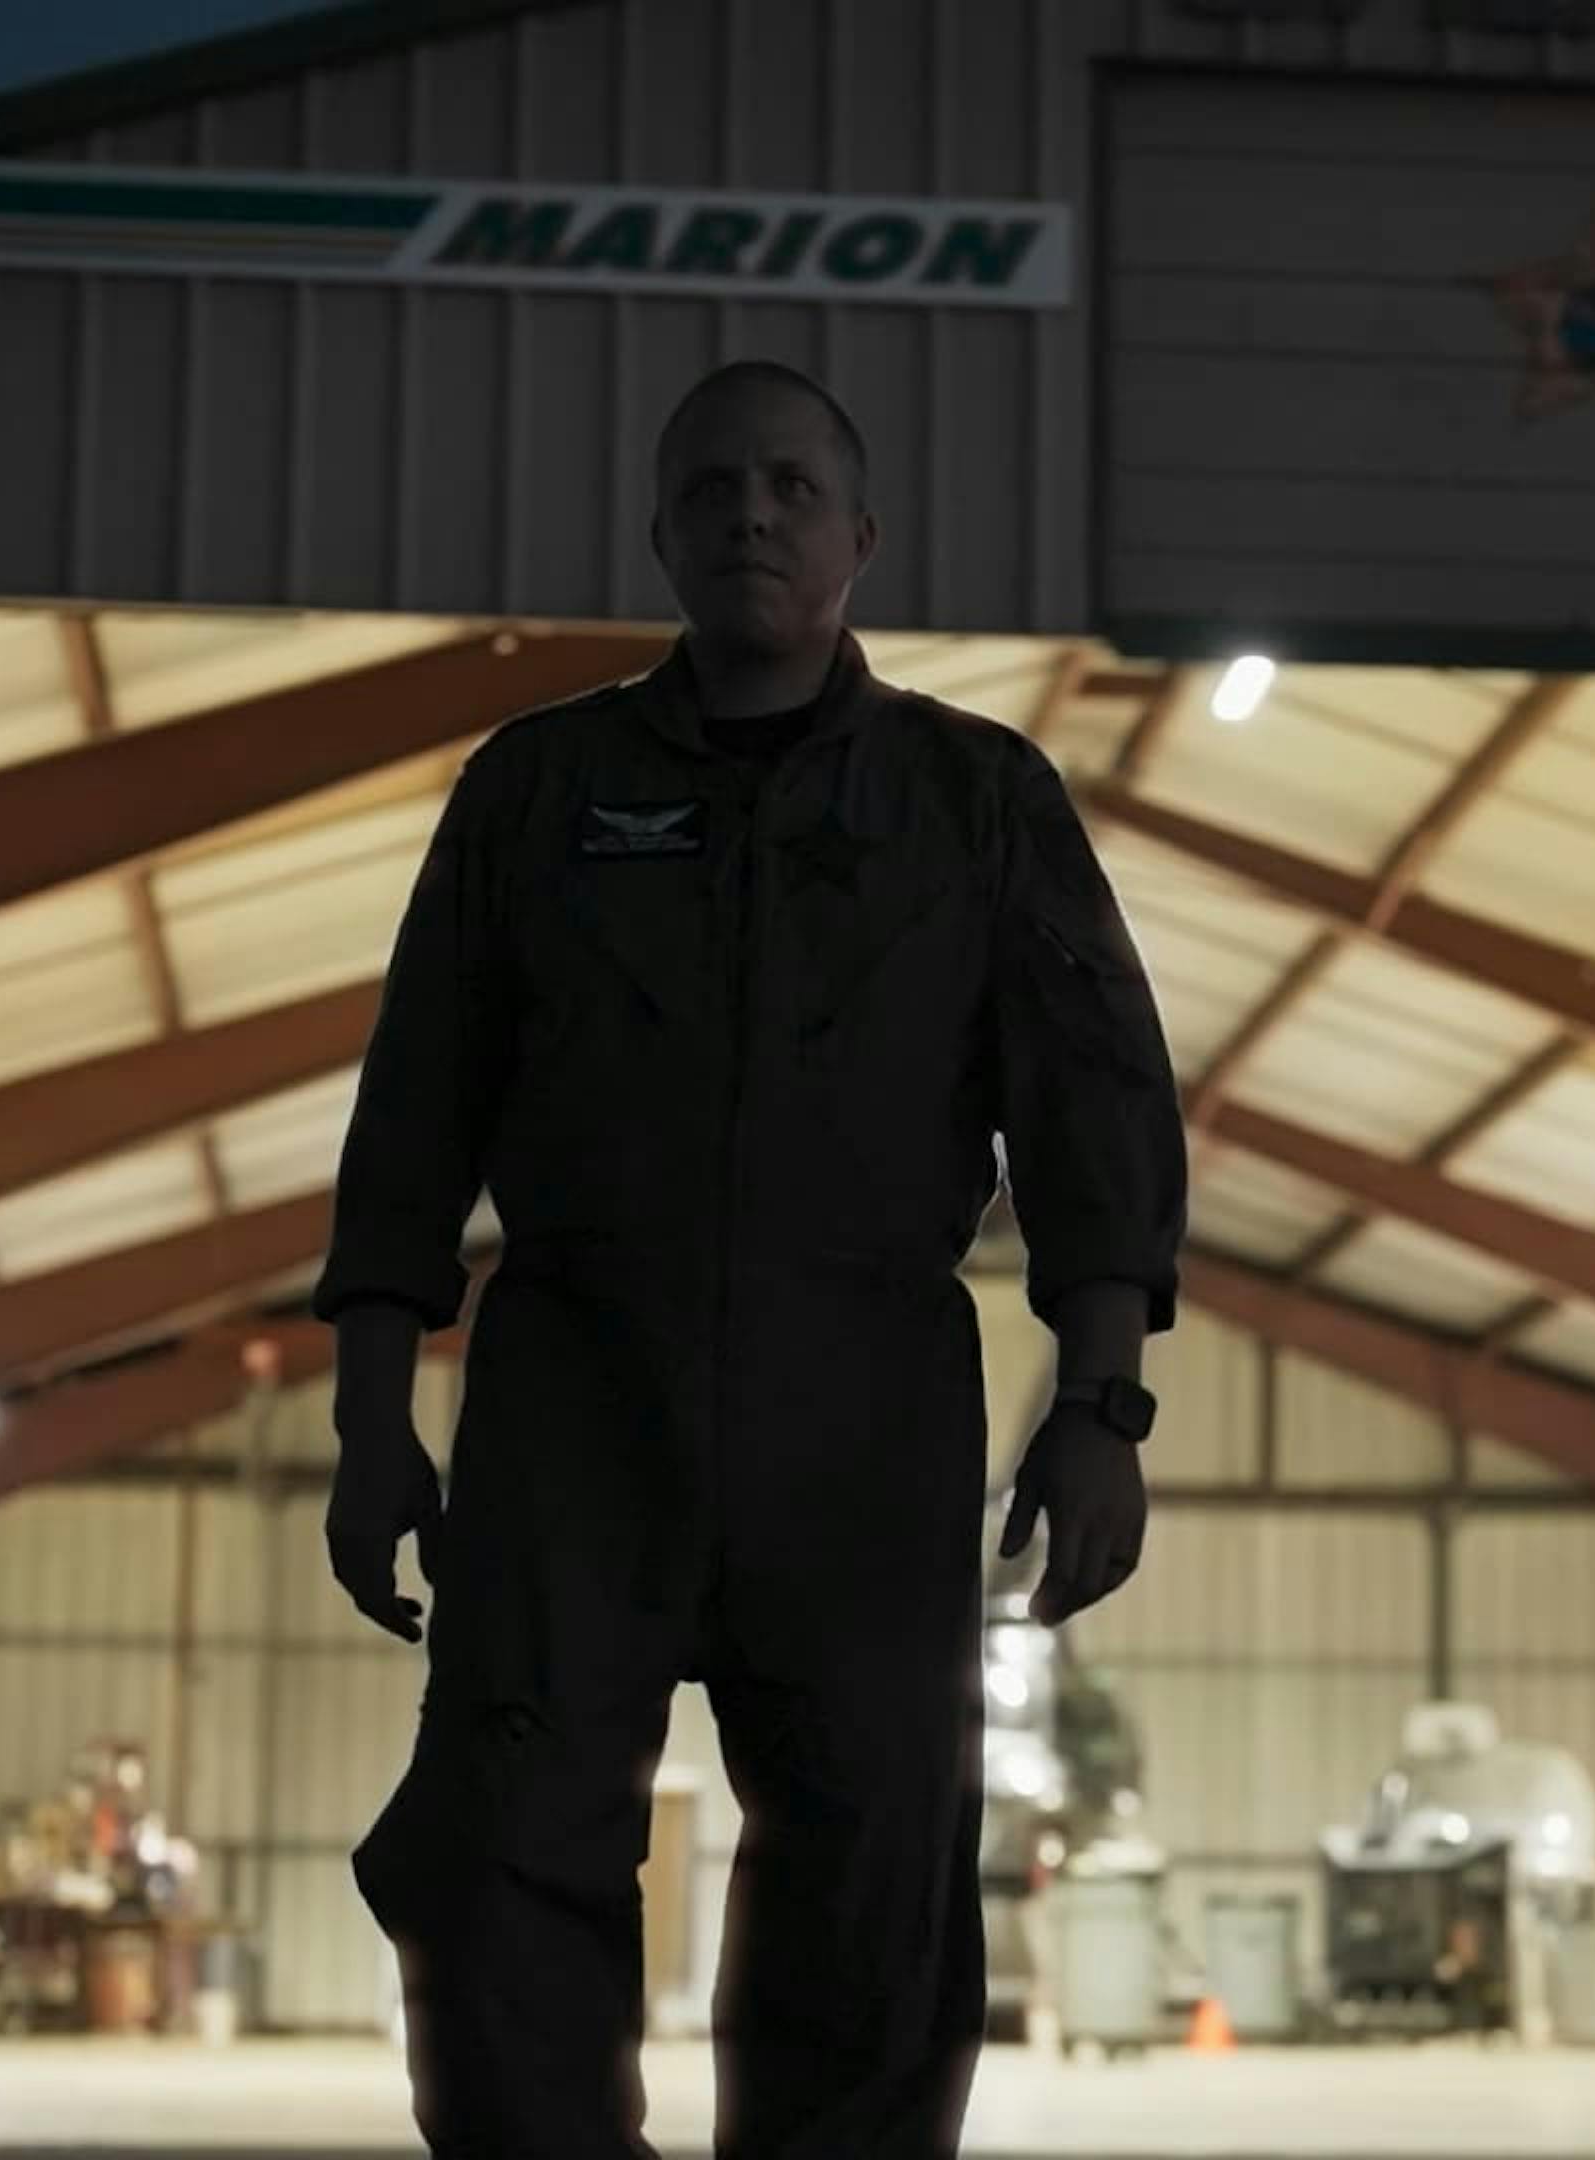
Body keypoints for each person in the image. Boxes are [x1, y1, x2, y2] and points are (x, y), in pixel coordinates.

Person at [314, 359, 1188, 2159]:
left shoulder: (977, 799)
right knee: (495, 1862)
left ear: (862, 537)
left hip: (862, 1409)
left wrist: (1101, 1403)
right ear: (659, 533)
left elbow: (1098, 1117)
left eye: (793, 486)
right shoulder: (534, 791)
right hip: (572, 1398)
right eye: (712, 488)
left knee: (868, 1894)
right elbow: (412, 1118)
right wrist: (371, 1419)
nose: (752, 515)